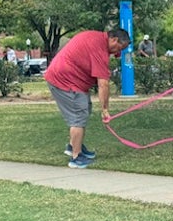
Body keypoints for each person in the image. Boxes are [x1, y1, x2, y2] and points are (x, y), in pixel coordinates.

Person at [44, 28, 130, 168]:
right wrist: (105, 110)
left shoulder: (95, 38)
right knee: (78, 115)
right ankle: (76, 157)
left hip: (68, 79)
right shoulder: (99, 49)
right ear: (113, 39)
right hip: (64, 81)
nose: (118, 52)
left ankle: (73, 146)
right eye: (120, 47)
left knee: (84, 109)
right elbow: (103, 84)